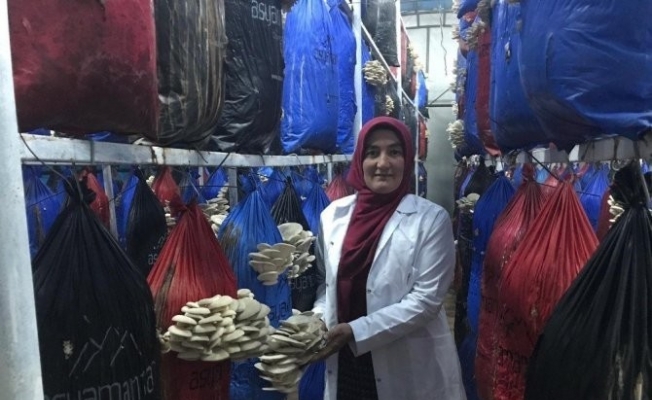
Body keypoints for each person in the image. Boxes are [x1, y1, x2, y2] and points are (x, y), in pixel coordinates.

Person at [311, 116, 466, 400]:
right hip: (345, 361)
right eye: (373, 153)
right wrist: (319, 319)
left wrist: (355, 331)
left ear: (407, 160)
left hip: (406, 367)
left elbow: (426, 301)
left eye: (394, 152)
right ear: (360, 160)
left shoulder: (431, 220)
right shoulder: (332, 216)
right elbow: (326, 284)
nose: (383, 163)